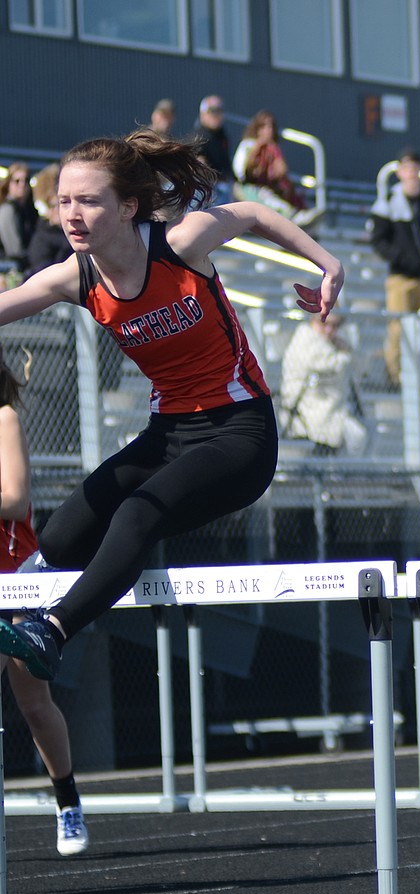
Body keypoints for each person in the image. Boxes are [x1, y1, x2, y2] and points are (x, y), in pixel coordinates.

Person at [0, 128, 343, 682]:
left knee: (138, 511)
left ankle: (53, 631)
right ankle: (36, 592)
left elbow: (254, 212)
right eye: (64, 201)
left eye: (88, 201)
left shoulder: (179, 243)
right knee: (62, 537)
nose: (72, 214)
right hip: (169, 433)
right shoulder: (76, 277)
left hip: (239, 433)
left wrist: (328, 265)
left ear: (128, 205)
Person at [0, 345, 89, 855]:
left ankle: (67, 800)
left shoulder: (4, 417)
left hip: (16, 576)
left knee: (33, 702)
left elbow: (14, 498)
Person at [367, 147, 420, 387]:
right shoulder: (389, 200)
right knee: (398, 328)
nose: (412, 173)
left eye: (415, 167)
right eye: (407, 167)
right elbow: (378, 239)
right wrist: (401, 258)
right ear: (400, 171)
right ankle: (396, 377)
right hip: (401, 277)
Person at [280, 310, 366, 455]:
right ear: (312, 320)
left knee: (359, 436)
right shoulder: (305, 340)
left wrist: (346, 349)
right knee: (356, 436)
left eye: (336, 325)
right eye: (324, 323)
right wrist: (345, 353)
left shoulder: (334, 344)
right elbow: (327, 364)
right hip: (306, 418)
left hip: (332, 414)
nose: (329, 330)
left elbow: (362, 367)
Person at [232, 110, 309, 221]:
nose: (269, 131)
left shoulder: (273, 149)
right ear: (257, 129)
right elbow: (241, 173)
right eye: (264, 127)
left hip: (270, 188)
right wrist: (257, 150)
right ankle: (289, 216)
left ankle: (297, 215)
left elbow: (282, 171)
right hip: (248, 188)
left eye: (271, 127)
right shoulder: (248, 145)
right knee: (263, 196)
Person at [25, 163, 73, 275]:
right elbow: (41, 272)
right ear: (48, 209)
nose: (60, 209)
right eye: (55, 205)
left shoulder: (71, 233)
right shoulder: (41, 238)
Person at [192, 95, 236, 207]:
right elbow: (197, 163)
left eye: (219, 110)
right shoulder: (199, 137)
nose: (216, 114)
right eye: (212, 110)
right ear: (203, 114)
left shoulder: (222, 137)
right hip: (209, 189)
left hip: (226, 187)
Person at [0, 162, 38, 273]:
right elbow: (14, 250)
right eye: (17, 181)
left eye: (26, 180)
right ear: (8, 184)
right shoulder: (7, 210)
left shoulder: (30, 210)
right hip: (10, 266)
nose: (22, 184)